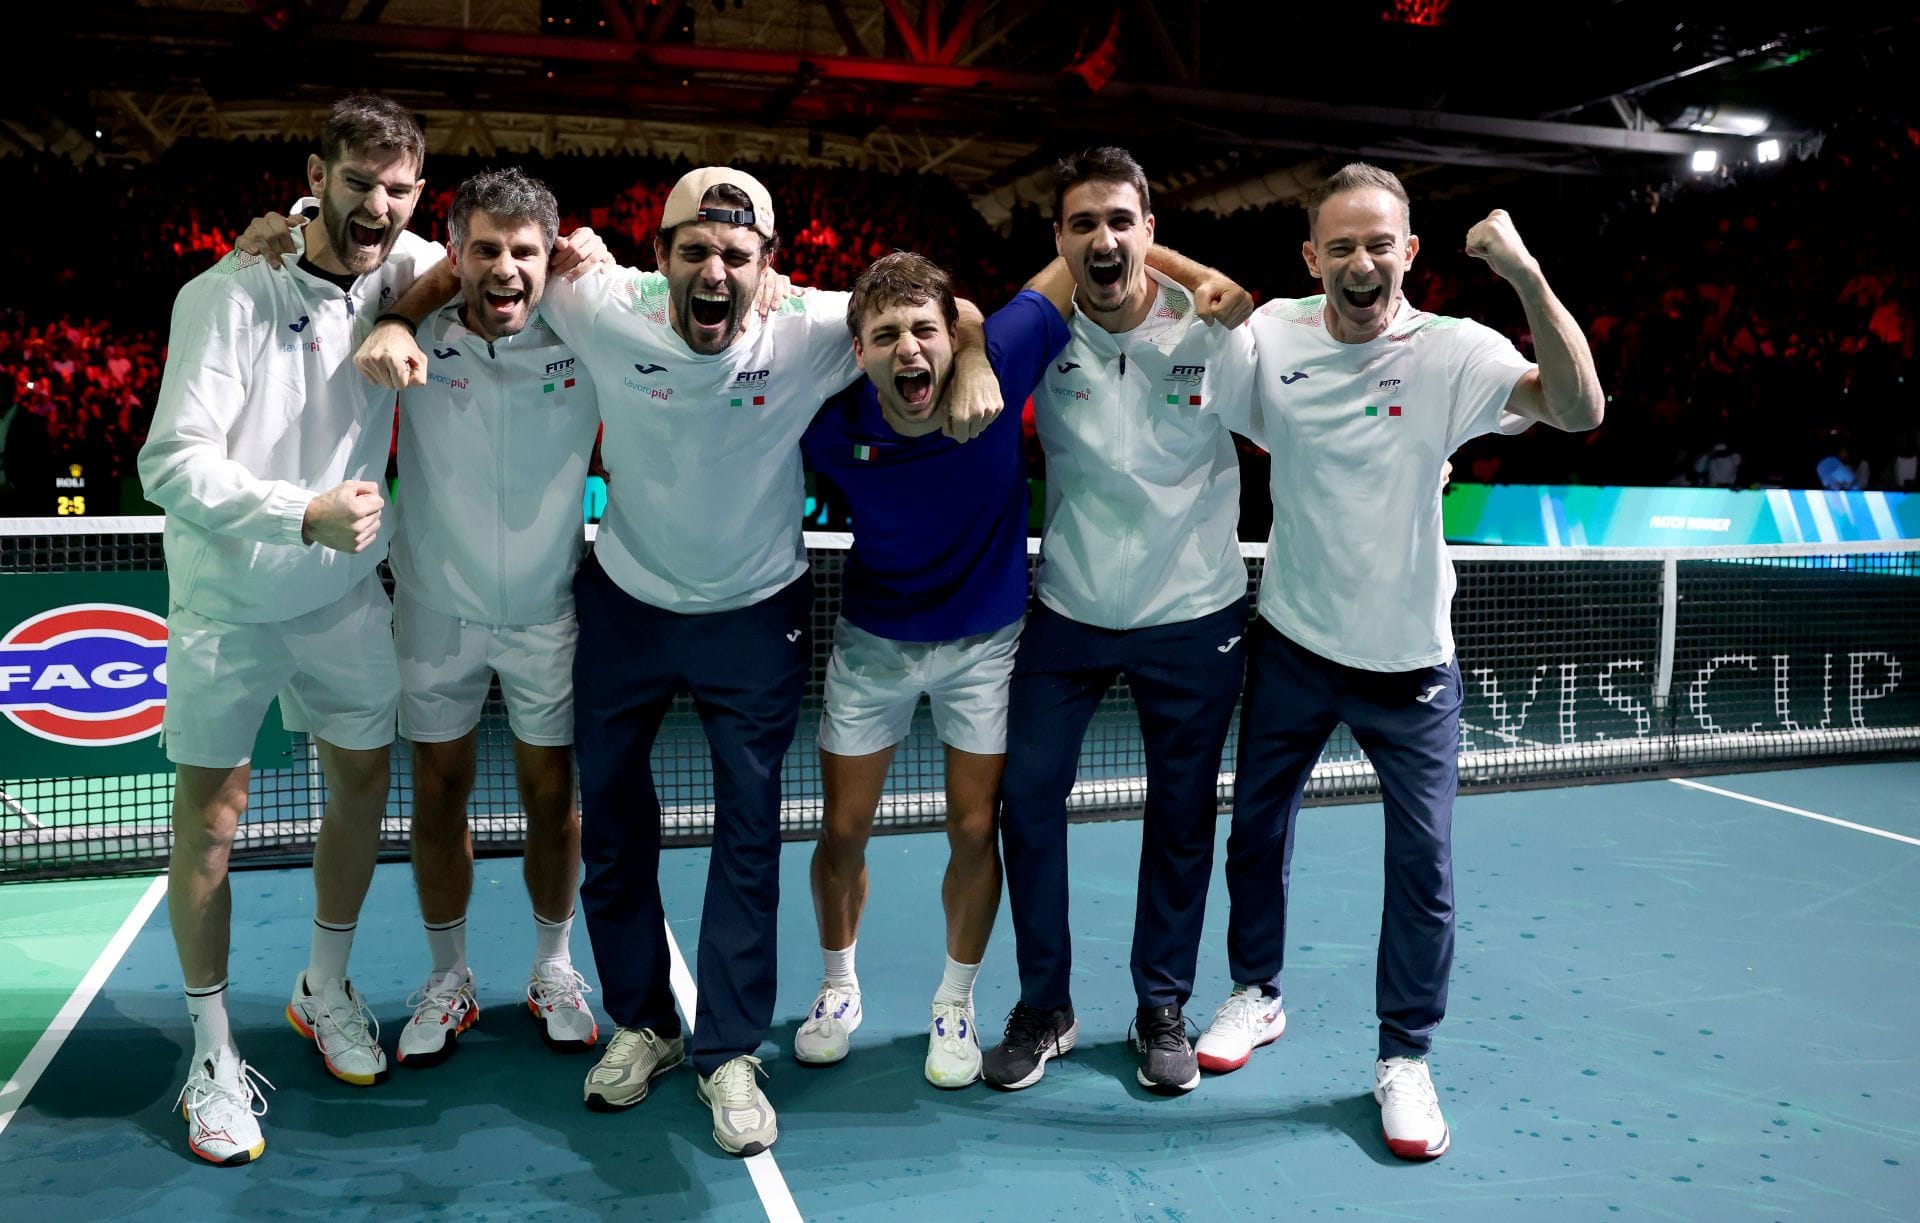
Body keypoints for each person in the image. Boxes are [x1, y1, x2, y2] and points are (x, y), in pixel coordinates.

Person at [359, 167, 1001, 1156]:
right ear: (657, 259)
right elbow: (472, 265)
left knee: (748, 836)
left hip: (756, 615)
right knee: (613, 825)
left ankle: (732, 1048)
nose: (715, 269)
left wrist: (967, 356)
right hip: (625, 607)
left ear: (769, 267)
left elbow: (933, 305)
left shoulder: (814, 327)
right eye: (693, 251)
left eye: (737, 256)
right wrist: (397, 310)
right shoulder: (599, 300)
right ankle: (647, 1022)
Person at [1205, 162, 1603, 1160]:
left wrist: (1521, 271)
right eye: (1340, 244)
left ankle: (1404, 1057)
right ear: (1311, 257)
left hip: (1412, 667)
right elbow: (1220, 404)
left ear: (1410, 251)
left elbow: (1580, 406)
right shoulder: (1273, 338)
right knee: (1254, 834)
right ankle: (1256, 993)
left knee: (1422, 872)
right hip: (1292, 641)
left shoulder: (1451, 351)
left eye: (1380, 242)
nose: (1361, 261)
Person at [137, 93, 442, 1167]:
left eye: (400, 188)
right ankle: (214, 1048)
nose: (380, 205)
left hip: (345, 600)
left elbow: (503, 258)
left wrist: (581, 249)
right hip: (228, 603)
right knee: (210, 825)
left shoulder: (408, 268)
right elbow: (167, 462)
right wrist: (293, 509)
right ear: (318, 176)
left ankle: (323, 983)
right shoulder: (226, 294)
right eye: (360, 182)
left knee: (362, 782)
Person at [984, 146, 1260, 1097]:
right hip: (1069, 608)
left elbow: (1305, 410)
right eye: (1081, 224)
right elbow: (976, 363)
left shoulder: (1212, 327)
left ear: (1151, 228)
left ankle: (1162, 1005)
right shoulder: (1039, 334)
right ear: (1058, 243)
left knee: (1181, 814)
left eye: (1121, 220)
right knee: (1025, 798)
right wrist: (1099, 263)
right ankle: (1046, 1005)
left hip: (1194, 613)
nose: (1104, 238)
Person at [791, 251, 1071, 1088]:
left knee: (974, 828)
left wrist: (984, 346)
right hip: (874, 642)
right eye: (886, 335)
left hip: (985, 645)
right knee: (842, 829)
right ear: (859, 350)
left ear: (950, 333)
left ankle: (956, 1001)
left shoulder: (1004, 357)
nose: (908, 349)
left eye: (925, 329)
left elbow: (1067, 261)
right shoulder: (828, 422)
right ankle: (839, 987)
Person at [379, 168, 604, 1068]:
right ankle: (450, 975)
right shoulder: (415, 331)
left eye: (524, 251)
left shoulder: (586, 333)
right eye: (484, 249)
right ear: (454, 255)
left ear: (550, 256)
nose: (504, 268)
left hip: (549, 611)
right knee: (439, 793)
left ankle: (554, 965)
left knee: (553, 797)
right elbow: (341, 264)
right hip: (436, 609)